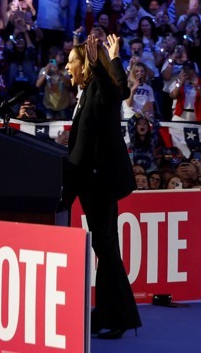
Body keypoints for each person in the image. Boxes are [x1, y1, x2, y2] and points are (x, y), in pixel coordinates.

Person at [64, 28, 141, 339]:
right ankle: (107, 313)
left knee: (106, 249)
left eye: (72, 62)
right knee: (104, 247)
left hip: (101, 182)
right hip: (91, 182)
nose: (67, 67)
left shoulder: (99, 88)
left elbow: (119, 92)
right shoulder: (87, 92)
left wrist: (109, 60)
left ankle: (121, 318)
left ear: (85, 66)